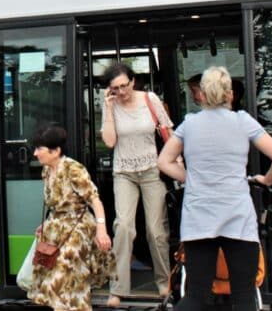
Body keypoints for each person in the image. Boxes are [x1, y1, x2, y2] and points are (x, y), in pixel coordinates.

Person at [157, 66, 272, 311]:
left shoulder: (190, 124)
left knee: (195, 296)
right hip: (238, 217)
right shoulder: (243, 121)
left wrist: (191, 178)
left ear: (202, 95)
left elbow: (163, 162)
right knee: (244, 296)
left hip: (198, 218)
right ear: (230, 94)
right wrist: (266, 180)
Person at [99, 62, 174, 306]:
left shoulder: (150, 99)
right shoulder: (110, 104)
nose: (122, 92)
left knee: (156, 229)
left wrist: (176, 162)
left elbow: (168, 133)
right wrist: (108, 109)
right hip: (124, 172)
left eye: (125, 85)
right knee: (123, 227)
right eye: (116, 88)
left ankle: (164, 282)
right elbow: (109, 142)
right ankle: (118, 288)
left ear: (133, 81)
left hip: (152, 169)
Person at [27, 125, 115, 311]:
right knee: (53, 279)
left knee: (64, 276)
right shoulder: (46, 170)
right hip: (56, 228)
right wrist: (46, 223)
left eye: (39, 149)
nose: (35, 153)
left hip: (77, 228)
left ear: (55, 151)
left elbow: (95, 201)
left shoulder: (73, 169)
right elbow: (55, 205)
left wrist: (101, 230)